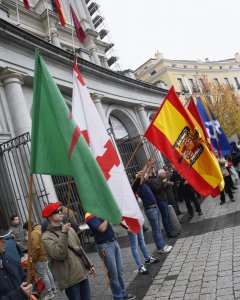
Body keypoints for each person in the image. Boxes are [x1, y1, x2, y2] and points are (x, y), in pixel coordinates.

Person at [41, 202, 95, 300]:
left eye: (60, 210)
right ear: (49, 217)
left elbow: (79, 248)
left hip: (81, 273)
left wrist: (89, 264)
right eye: (56, 212)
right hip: (70, 279)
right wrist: (63, 234)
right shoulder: (46, 237)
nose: (60, 212)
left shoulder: (68, 228)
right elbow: (59, 255)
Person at [86, 213, 136, 300]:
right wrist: (107, 217)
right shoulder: (89, 215)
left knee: (120, 271)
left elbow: (115, 218)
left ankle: (123, 294)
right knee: (113, 274)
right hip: (104, 245)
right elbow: (102, 228)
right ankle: (118, 297)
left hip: (113, 241)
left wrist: (126, 226)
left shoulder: (101, 209)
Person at [132, 161, 172, 254]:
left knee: (158, 228)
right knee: (156, 229)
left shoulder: (144, 184)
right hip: (150, 209)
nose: (141, 174)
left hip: (155, 208)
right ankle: (160, 247)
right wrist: (146, 165)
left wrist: (149, 164)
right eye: (138, 174)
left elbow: (145, 173)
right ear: (136, 179)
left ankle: (162, 244)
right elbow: (142, 175)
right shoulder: (137, 186)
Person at [23, 221, 57, 300]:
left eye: (27, 229)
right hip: (44, 254)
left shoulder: (33, 233)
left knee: (44, 275)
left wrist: (33, 258)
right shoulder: (39, 228)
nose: (27, 231)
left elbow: (36, 247)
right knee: (47, 272)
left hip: (40, 257)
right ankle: (53, 288)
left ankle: (50, 293)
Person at [0, 228, 33, 299]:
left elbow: (24, 277)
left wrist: (30, 288)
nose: (4, 241)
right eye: (0, 239)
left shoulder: (8, 259)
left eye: (3, 238)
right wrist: (20, 293)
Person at [146, 169, 178, 238]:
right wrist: (163, 183)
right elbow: (157, 189)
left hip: (164, 199)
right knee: (165, 217)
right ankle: (169, 232)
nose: (154, 172)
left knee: (167, 216)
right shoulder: (150, 181)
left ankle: (171, 231)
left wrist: (166, 183)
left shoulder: (155, 179)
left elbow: (162, 187)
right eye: (152, 171)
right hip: (160, 200)